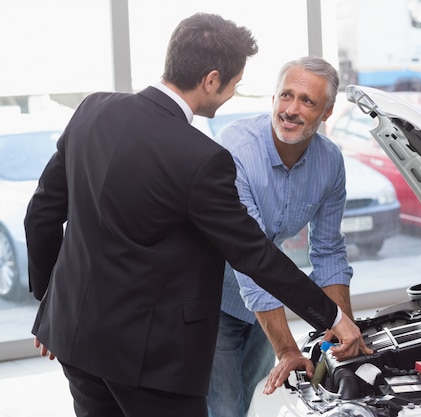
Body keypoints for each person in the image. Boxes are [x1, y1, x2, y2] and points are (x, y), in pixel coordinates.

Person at [23, 13, 366, 417]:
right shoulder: (202, 158)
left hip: (75, 341)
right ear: (211, 80)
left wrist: (51, 304)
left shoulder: (93, 110)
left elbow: (41, 214)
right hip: (151, 360)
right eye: (234, 85)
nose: (232, 96)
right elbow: (253, 253)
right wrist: (333, 316)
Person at [207, 56, 372, 417]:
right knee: (223, 408)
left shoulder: (330, 161)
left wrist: (341, 329)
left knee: (260, 400)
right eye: (286, 96)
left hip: (267, 298)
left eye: (307, 101)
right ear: (272, 99)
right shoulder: (236, 149)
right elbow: (247, 257)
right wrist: (286, 348)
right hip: (211, 298)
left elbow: (328, 251)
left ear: (327, 112)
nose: (291, 110)